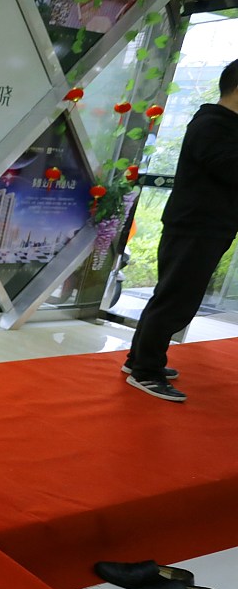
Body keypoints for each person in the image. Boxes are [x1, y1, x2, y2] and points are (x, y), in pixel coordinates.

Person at [124, 58, 238, 402]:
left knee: (171, 295)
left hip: (206, 224)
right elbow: (230, 168)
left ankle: (138, 360)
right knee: (176, 299)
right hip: (196, 225)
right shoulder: (212, 125)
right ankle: (146, 371)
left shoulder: (223, 125)